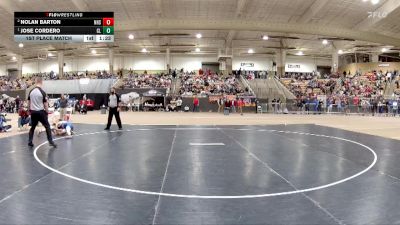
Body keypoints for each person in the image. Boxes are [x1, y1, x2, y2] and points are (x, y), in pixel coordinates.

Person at [27, 77, 57, 148]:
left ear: (35, 82)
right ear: (41, 82)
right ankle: (50, 141)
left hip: (33, 112)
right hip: (40, 112)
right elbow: (45, 104)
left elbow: (28, 102)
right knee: (47, 126)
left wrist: (29, 111)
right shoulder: (42, 92)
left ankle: (30, 141)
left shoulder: (31, 91)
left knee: (33, 127)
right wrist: (47, 111)